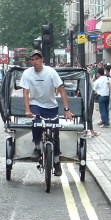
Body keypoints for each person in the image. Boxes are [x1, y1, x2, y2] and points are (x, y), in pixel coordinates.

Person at [21, 49, 74, 177]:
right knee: (37, 122)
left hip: (51, 106)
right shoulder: (27, 73)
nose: (35, 62)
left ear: (42, 60)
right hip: (36, 104)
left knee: (55, 133)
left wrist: (67, 110)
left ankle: (56, 161)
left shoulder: (51, 72)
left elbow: (61, 90)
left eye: (37, 59)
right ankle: (37, 147)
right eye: (32, 60)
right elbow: (26, 93)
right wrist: (28, 110)